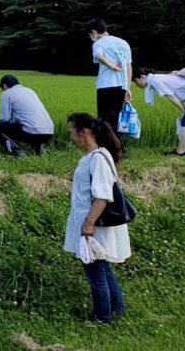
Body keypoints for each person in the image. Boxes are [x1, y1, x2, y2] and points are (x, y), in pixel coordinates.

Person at [63, 112, 130, 324]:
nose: (71, 137)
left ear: (84, 132)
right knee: (102, 267)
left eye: (71, 132)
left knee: (95, 273)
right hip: (92, 221)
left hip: (94, 223)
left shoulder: (97, 159)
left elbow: (102, 196)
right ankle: (117, 308)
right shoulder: (95, 156)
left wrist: (88, 224)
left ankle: (101, 318)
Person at [133, 66, 185, 156]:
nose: (136, 84)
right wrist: (183, 111)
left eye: (135, 81)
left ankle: (182, 151)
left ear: (142, 77)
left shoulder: (154, 80)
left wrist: (183, 111)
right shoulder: (155, 78)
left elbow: (171, 96)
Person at [86, 19, 133, 134]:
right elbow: (129, 67)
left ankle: (106, 144)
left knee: (104, 120)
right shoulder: (123, 43)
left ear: (94, 32)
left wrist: (112, 66)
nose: (91, 37)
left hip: (106, 85)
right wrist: (128, 87)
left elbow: (99, 56)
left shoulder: (98, 43)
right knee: (117, 120)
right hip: (122, 86)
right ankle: (118, 145)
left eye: (90, 34)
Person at [0, 74, 54, 156]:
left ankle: (19, 153)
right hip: (49, 132)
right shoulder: (30, 91)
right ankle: (39, 150)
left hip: (31, 133)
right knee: (29, 125)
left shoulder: (6, 94)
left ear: (4, 85)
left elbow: (5, 119)